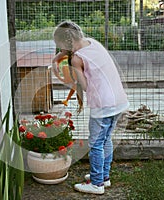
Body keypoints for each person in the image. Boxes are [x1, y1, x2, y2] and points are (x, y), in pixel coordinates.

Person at [52, 21, 129, 195]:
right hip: (118, 100)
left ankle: (96, 184)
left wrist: (59, 72)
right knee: (106, 139)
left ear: (67, 43)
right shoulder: (93, 43)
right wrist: (59, 56)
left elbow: (85, 86)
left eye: (60, 46)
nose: (59, 50)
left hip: (103, 105)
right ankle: (104, 177)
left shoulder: (77, 59)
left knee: (95, 144)